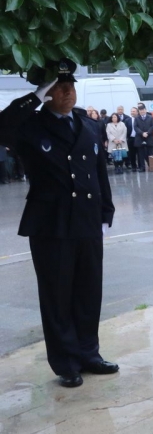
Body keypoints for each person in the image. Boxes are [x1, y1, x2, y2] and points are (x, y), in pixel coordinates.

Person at [0, 60, 117, 388]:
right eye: (59, 86)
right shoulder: (30, 126)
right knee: (57, 295)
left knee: (88, 292)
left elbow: (99, 174)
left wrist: (105, 214)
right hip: (50, 225)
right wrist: (36, 94)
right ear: (46, 93)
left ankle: (88, 353)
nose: (68, 92)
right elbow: (3, 126)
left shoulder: (88, 125)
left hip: (87, 222)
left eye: (71, 86)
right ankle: (65, 362)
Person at [132, 103, 153, 170]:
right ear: (139, 111)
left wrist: (148, 133)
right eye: (140, 110)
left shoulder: (150, 117)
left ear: (145, 110)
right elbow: (135, 127)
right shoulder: (137, 118)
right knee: (141, 154)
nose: (142, 111)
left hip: (149, 137)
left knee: (150, 153)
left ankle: (152, 166)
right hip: (140, 138)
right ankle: (142, 167)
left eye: (143, 110)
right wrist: (142, 133)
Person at [123, 106, 137, 171]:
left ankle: (141, 166)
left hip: (138, 138)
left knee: (140, 153)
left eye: (133, 111)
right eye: (131, 111)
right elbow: (125, 130)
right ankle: (133, 166)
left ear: (137, 112)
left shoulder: (139, 119)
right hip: (131, 138)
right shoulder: (127, 120)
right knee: (131, 153)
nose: (132, 112)